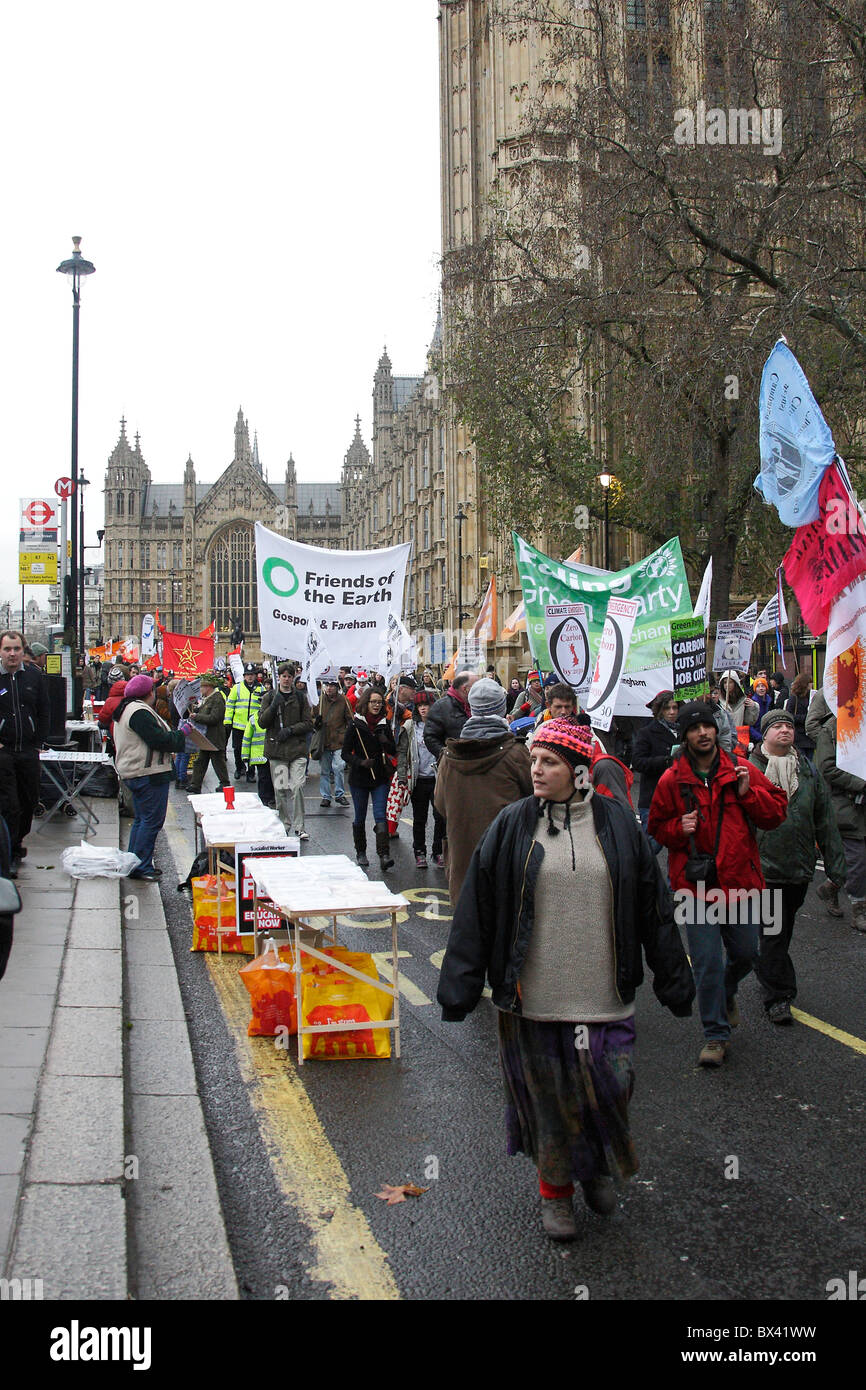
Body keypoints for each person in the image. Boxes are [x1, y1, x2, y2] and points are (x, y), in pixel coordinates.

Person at [437, 718, 694, 1241]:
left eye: (548, 762)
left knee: (611, 1087)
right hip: (534, 998)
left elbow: (654, 907)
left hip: (606, 995)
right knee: (550, 1102)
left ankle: (597, 1165)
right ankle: (555, 1192)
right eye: (533, 760)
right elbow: (477, 911)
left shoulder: (620, 825)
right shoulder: (512, 824)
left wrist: (674, 981)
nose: (536, 769)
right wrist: (460, 987)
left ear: (580, 772)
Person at [649, 701, 787, 1066]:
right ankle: (715, 1034)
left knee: (747, 954)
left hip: (740, 882)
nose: (703, 733)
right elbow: (656, 828)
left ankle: (726, 993)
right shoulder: (671, 780)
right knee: (707, 962)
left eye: (707, 726)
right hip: (695, 888)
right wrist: (677, 829)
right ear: (686, 735)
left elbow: (776, 814)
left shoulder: (740, 769)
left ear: (716, 730)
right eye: (694, 728)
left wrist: (748, 794)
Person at [748, 709, 847, 1021]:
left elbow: (825, 819)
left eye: (788, 726)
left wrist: (835, 866)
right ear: (765, 734)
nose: (784, 730)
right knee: (774, 932)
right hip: (764, 867)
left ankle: (764, 966)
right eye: (776, 726)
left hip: (798, 866)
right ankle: (778, 997)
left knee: (782, 929)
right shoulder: (749, 769)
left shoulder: (806, 770)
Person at [434, 677, 533, 905]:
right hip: (506, 858)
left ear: (471, 709)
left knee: (469, 930)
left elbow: (440, 805)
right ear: (502, 708)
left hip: (463, 858)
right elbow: (534, 801)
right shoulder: (516, 754)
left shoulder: (449, 757)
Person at [112, 674, 185, 881]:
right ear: (149, 693)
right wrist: (182, 734)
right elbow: (159, 739)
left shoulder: (127, 708)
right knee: (151, 821)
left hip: (136, 772)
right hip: (147, 773)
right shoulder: (139, 711)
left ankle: (134, 861)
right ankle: (142, 865)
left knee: (142, 820)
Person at [812, 700, 866, 933]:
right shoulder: (832, 729)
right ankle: (859, 910)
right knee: (858, 858)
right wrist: (860, 784)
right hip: (846, 804)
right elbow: (827, 768)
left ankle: (832, 886)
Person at [0, 630, 50, 876]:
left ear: (23, 651)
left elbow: (44, 710)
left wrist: (39, 741)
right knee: (9, 805)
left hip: (28, 750)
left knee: (29, 801)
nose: (12, 654)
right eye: (7, 649)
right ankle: (7, 854)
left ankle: (17, 841)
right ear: (1, 652)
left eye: (16, 649)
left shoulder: (33, 676)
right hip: (4, 751)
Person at [341, 685, 397, 869]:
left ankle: (384, 855)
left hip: (379, 777)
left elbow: (393, 750)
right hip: (359, 779)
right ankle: (361, 851)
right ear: (366, 702)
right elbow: (345, 754)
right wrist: (359, 762)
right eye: (373, 702)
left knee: (381, 815)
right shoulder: (356, 725)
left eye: (380, 703)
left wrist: (386, 742)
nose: (376, 705)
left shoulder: (384, 723)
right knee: (360, 816)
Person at [259, 664, 313, 841]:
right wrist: (273, 706)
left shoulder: (300, 697)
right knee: (280, 789)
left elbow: (307, 723)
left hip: (297, 750)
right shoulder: (269, 697)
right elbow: (262, 722)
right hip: (277, 752)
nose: (287, 679)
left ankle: (299, 826)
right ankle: (284, 824)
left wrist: (290, 730)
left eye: (290, 676)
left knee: (297, 786)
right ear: (279, 677)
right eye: (283, 676)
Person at [396, 690, 445, 868]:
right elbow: (402, 752)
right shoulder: (410, 726)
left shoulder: (440, 725)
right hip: (419, 778)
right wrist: (402, 775)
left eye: (426, 705)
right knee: (419, 818)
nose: (423, 709)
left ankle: (438, 851)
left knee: (440, 816)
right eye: (420, 706)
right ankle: (419, 851)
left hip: (437, 777)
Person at [631, 690, 679, 850]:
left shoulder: (684, 731)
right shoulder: (647, 733)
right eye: (667, 708)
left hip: (679, 798)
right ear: (659, 711)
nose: (672, 712)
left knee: (678, 849)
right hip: (653, 798)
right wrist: (665, 761)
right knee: (652, 845)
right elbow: (638, 762)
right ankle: (637, 874)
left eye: (675, 707)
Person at [186, 674, 230, 794]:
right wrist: (196, 711)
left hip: (215, 736)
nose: (200, 690)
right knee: (201, 761)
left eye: (202, 687)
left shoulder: (217, 698)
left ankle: (225, 784)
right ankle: (195, 784)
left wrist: (197, 716)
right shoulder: (208, 698)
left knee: (218, 762)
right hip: (206, 736)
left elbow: (215, 718)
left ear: (208, 687)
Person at [314, 678, 351, 807]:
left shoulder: (344, 701)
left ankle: (340, 794)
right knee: (324, 770)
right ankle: (326, 796)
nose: (329, 688)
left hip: (339, 740)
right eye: (327, 685)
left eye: (332, 686)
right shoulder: (320, 700)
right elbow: (312, 716)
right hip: (324, 740)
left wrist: (347, 733)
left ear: (337, 687)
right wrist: (316, 722)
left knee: (339, 767)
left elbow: (349, 719)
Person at [424, 670, 478, 760]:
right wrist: (447, 755)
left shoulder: (477, 704)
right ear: (465, 689)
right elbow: (430, 737)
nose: (478, 690)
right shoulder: (441, 707)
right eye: (475, 687)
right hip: (453, 765)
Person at [223, 664, 263, 782]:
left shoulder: (261, 689)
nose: (250, 677)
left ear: (255, 676)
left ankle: (251, 772)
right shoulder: (237, 688)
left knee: (251, 749)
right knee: (237, 748)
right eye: (248, 675)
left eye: (252, 675)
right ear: (244, 676)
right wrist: (228, 721)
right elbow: (230, 705)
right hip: (238, 725)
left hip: (253, 726)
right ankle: (239, 768)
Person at [718, 670, 760, 754]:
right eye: (725, 682)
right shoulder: (718, 701)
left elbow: (749, 721)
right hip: (723, 739)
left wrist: (753, 707)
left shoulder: (743, 701)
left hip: (739, 738)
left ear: (736, 683)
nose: (727, 685)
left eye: (730, 682)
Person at [785, 673, 814, 760]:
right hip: (799, 735)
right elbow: (789, 715)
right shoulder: (794, 698)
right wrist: (805, 718)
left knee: (810, 761)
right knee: (802, 760)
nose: (812, 684)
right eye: (810, 682)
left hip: (809, 736)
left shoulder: (811, 697)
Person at [707, 680, 735, 753]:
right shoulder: (689, 712)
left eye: (714, 693)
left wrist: (722, 756)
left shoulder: (720, 713)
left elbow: (730, 736)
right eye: (709, 692)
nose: (711, 696)